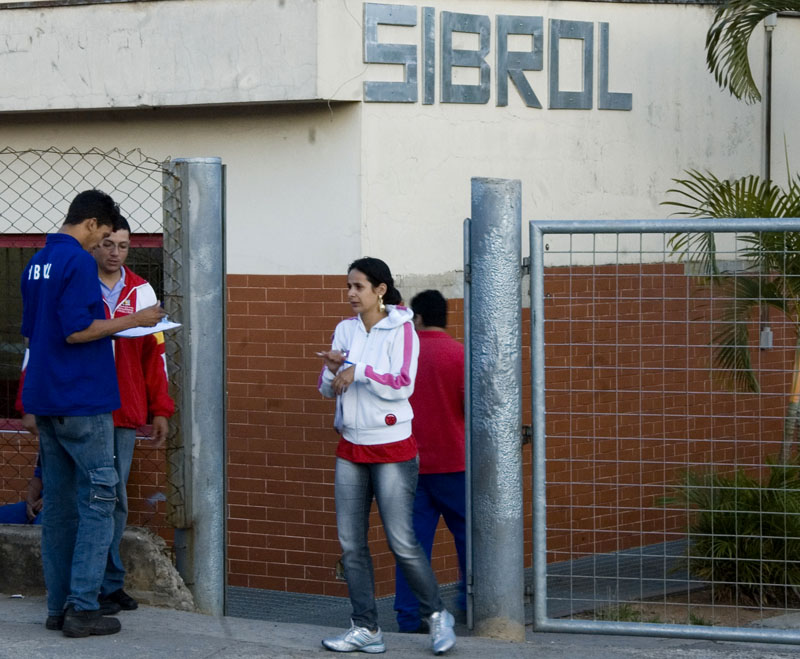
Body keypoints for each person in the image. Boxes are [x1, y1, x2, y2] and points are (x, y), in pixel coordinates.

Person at [20, 189, 165, 638]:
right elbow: (79, 330)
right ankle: (83, 607)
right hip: (83, 399)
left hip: (46, 400)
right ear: (91, 224)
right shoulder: (79, 261)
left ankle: (58, 607)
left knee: (61, 509)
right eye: (103, 234)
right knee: (100, 502)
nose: (102, 244)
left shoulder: (35, 261)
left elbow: (33, 333)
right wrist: (134, 322)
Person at [316, 257, 456, 656]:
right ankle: (366, 627)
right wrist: (331, 371)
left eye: (358, 286)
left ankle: (436, 617)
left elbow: (401, 384)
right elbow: (329, 391)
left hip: (393, 448)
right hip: (351, 446)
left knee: (402, 541)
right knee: (350, 544)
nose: (350, 294)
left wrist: (356, 370)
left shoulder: (403, 329)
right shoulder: (345, 329)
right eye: (348, 286)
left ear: (380, 290)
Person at [393, 290, 466, 634]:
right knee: (468, 539)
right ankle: (472, 604)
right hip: (455, 463)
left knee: (411, 544)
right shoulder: (460, 355)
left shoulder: (404, 354)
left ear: (417, 317)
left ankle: (411, 616)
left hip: (410, 464)